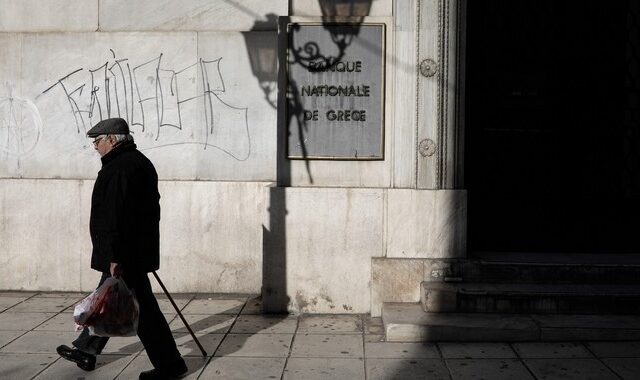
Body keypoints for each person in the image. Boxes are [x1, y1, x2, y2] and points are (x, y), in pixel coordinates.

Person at [56, 118, 188, 380]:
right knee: (113, 300)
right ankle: (87, 350)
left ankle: (170, 365)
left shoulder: (119, 168)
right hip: (135, 251)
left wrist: (114, 256)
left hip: (125, 254)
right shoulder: (138, 162)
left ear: (113, 139)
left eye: (98, 140)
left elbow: (116, 216)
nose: (95, 146)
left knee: (141, 312)